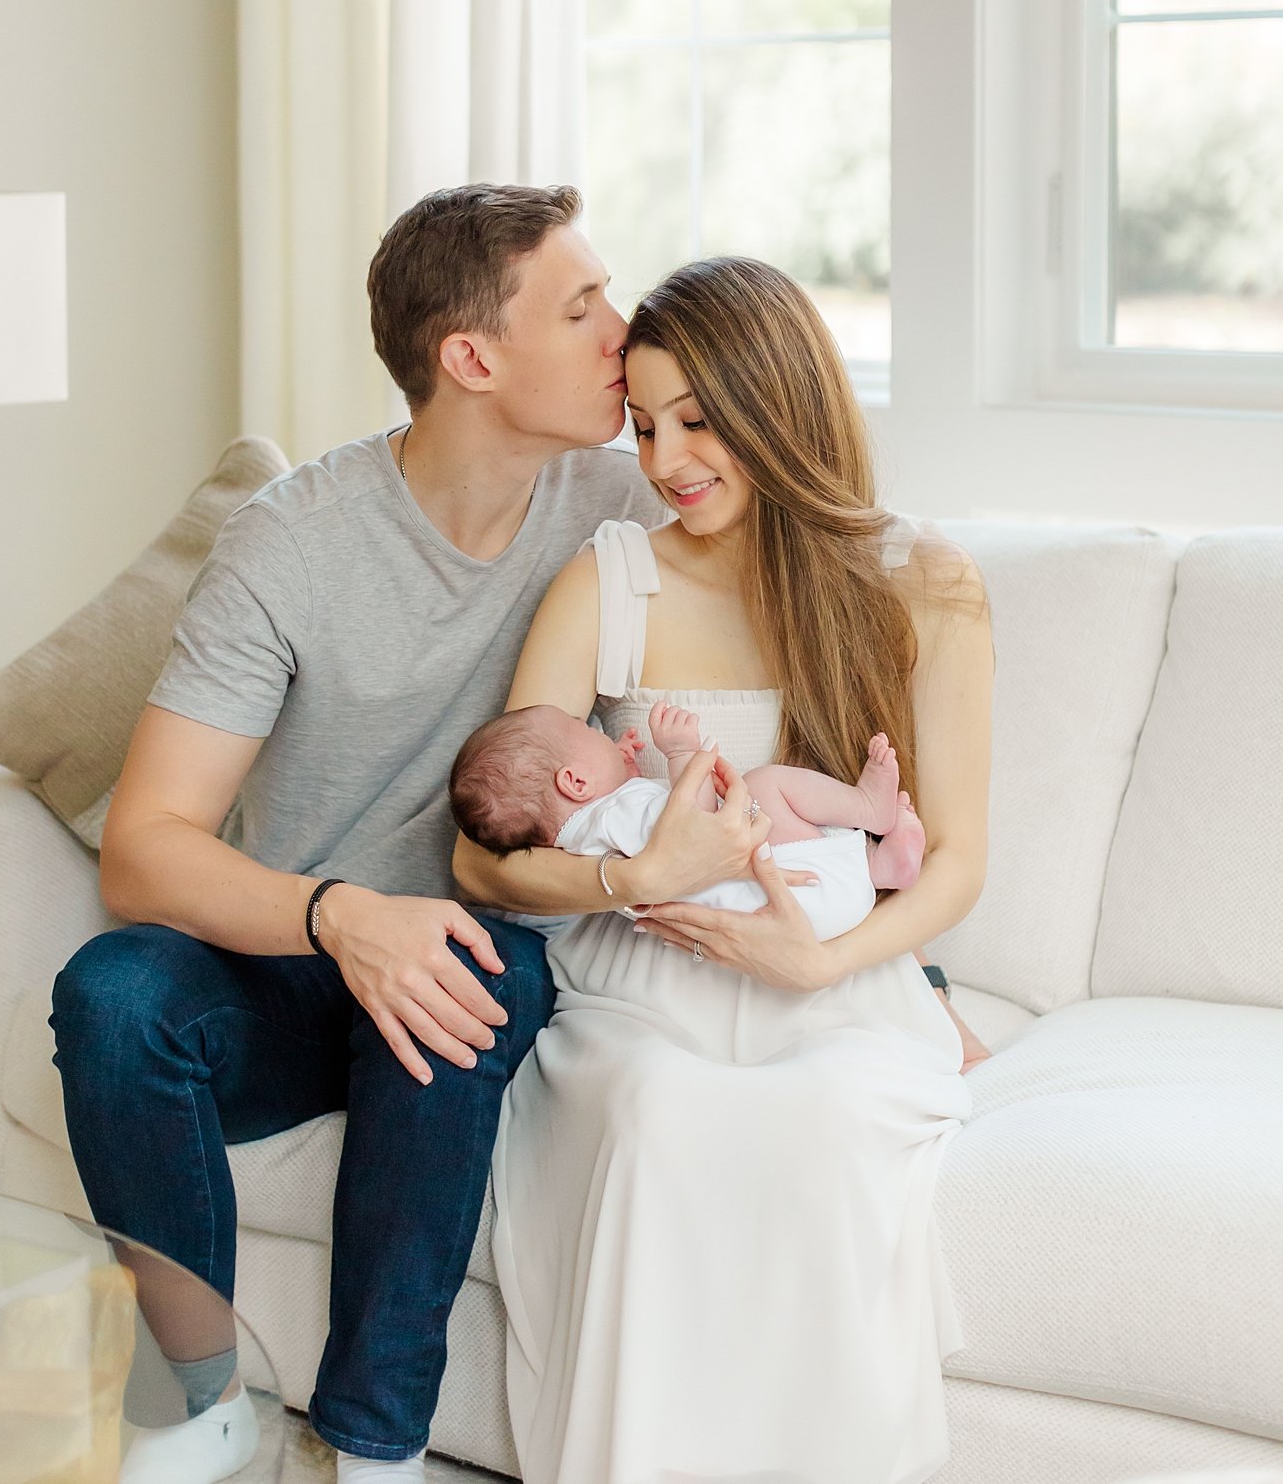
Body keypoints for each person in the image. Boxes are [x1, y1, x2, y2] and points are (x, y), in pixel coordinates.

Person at [49, 183, 712, 1484]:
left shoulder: (625, 509)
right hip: (290, 958)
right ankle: (196, 1400)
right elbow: (146, 846)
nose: (621, 329)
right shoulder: (289, 543)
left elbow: (782, 661)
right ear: (471, 357)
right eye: (581, 307)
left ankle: (371, 1442)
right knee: (114, 992)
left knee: (454, 971)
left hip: (484, 947)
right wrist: (341, 913)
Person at [452, 256, 995, 1484]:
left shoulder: (925, 582)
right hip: (646, 974)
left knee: (830, 1128)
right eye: (644, 424)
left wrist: (823, 959)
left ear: (780, 405)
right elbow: (478, 854)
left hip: (827, 969)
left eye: (698, 420)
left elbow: (956, 860)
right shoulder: (613, 580)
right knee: (657, 1117)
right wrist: (631, 875)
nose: (665, 458)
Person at [449, 698, 926, 919]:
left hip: (794, 906)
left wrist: (625, 769)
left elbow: (650, 827)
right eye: (589, 733)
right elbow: (695, 831)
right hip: (787, 903)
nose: (602, 735)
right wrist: (680, 755)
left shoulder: (590, 833)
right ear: (575, 782)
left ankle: (876, 865)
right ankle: (867, 809)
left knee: (772, 815)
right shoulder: (616, 815)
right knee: (766, 783)